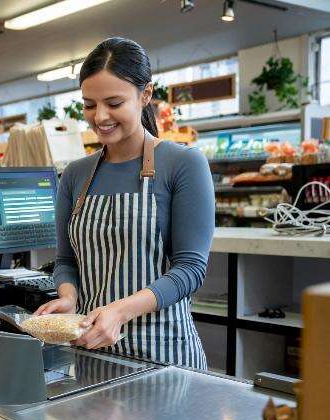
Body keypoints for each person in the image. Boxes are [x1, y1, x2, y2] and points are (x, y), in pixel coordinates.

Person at [35, 37, 214, 368]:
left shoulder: (183, 163)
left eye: (114, 103)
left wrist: (119, 311)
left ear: (145, 95)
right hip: (91, 355)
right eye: (89, 105)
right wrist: (68, 298)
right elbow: (65, 260)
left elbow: (190, 269)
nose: (100, 116)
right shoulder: (75, 175)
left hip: (164, 356)